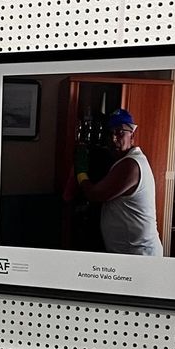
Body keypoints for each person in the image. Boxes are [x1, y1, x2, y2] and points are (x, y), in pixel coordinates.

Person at [70, 108, 163, 255]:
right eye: (110, 133)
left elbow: (94, 195)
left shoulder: (131, 165)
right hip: (128, 253)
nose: (113, 138)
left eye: (120, 132)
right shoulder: (122, 161)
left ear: (132, 134)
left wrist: (81, 172)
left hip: (139, 255)